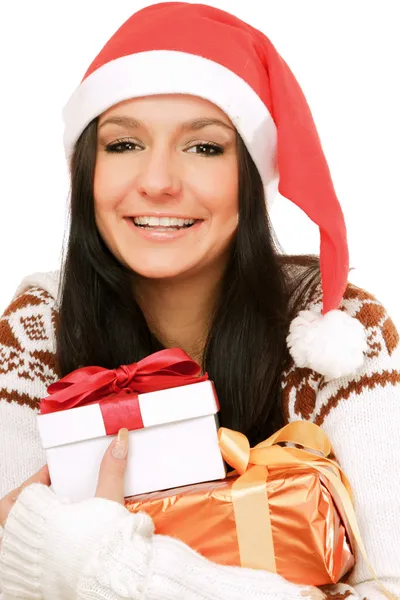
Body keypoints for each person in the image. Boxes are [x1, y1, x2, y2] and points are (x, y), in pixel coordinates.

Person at [0, 2, 399, 599]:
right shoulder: (38, 331)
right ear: (86, 170)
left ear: (252, 174)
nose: (158, 180)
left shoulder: (337, 332)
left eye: (205, 148)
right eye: (124, 143)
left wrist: (98, 564)